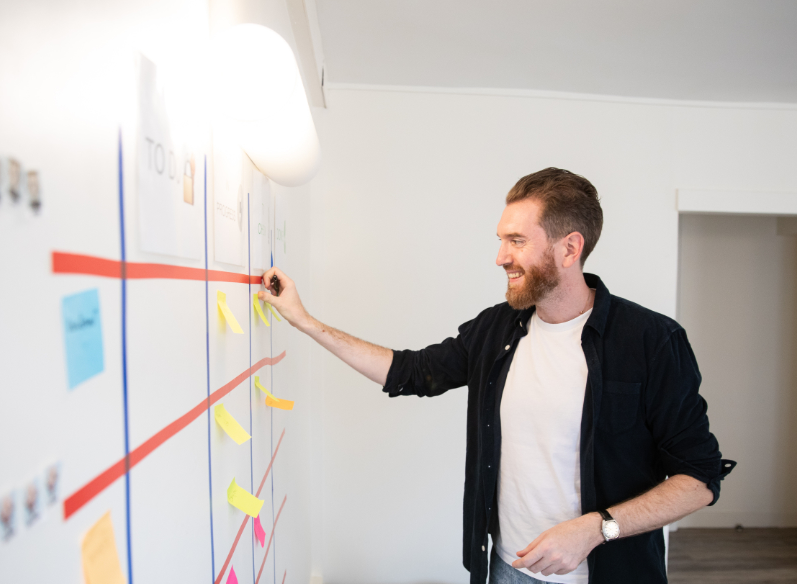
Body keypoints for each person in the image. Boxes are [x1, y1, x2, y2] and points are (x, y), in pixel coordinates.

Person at [258, 167, 734, 584]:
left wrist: (596, 528)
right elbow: (410, 371)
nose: (501, 257)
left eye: (517, 241)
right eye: (501, 240)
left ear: (570, 249)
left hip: (608, 573)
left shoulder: (651, 341)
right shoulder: (496, 329)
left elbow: (699, 478)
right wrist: (304, 320)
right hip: (504, 569)